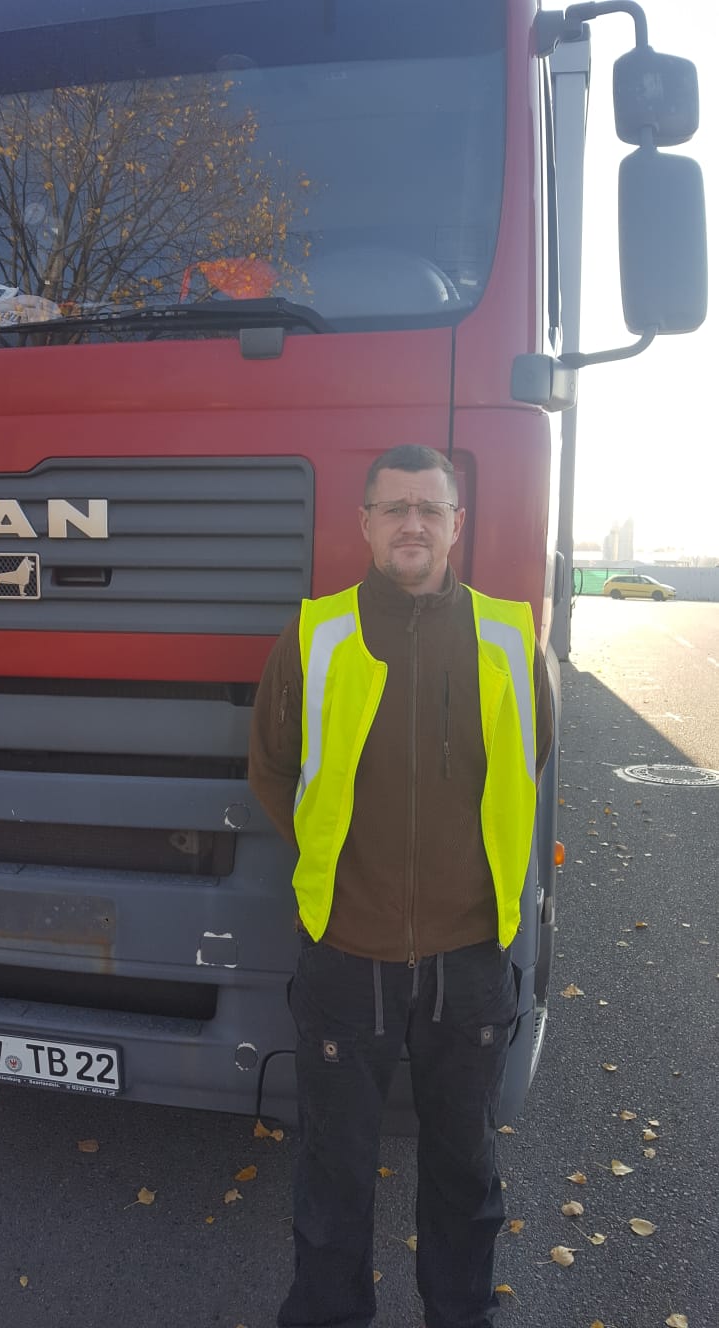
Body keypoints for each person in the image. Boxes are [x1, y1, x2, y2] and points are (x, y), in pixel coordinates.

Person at [249, 444, 553, 1328]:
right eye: (394, 508)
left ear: (457, 524)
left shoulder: (509, 637)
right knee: (333, 1171)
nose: (412, 523)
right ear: (365, 524)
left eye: (429, 507)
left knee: (465, 1169)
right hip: (347, 953)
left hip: (471, 956)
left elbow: (527, 762)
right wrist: (341, 866)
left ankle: (460, 1314)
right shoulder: (315, 635)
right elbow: (273, 768)